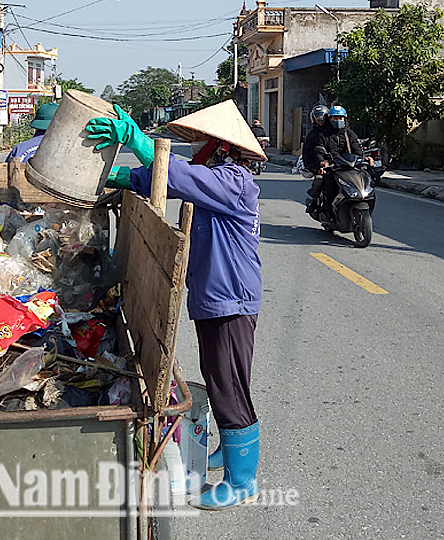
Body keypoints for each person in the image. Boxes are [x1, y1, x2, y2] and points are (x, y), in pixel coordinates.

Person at [86, 101, 265, 511]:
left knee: (229, 384)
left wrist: (137, 140)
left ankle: (243, 480)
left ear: (221, 146)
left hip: (231, 299)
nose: (196, 148)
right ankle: (230, 448)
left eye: (202, 142)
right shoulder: (216, 178)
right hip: (214, 297)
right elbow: (154, 178)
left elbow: (178, 175)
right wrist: (105, 173)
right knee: (220, 378)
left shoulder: (235, 182)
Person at [303, 104, 331, 213]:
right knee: (319, 181)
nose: (321, 119)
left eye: (323, 117)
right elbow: (308, 154)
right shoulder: (312, 135)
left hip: (337, 164)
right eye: (318, 117)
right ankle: (314, 201)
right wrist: (316, 169)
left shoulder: (334, 132)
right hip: (320, 165)